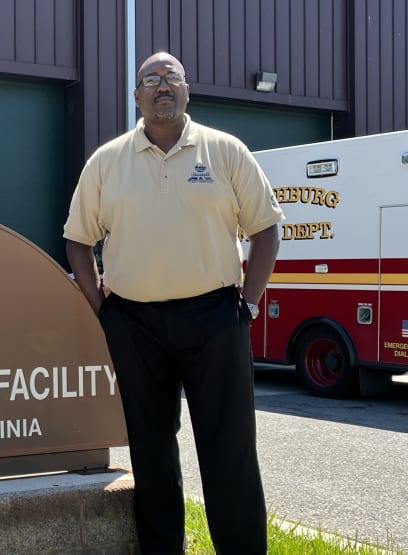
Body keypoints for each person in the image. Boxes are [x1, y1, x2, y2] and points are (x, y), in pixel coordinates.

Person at [63, 52, 283, 554]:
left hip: (215, 317)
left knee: (229, 451)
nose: (162, 86)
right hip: (134, 323)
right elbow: (78, 240)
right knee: (151, 449)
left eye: (171, 78)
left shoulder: (226, 152)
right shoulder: (106, 162)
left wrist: (247, 304)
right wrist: (104, 309)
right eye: (151, 80)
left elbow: (266, 231)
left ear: (187, 91)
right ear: (136, 96)